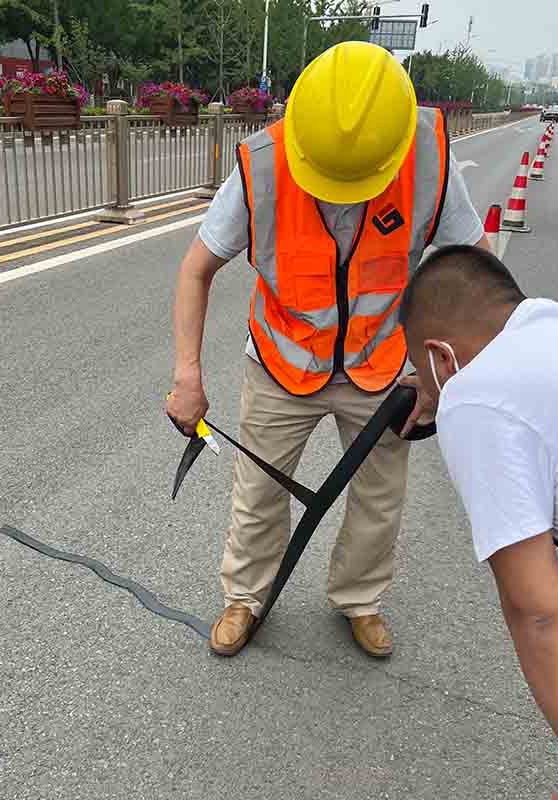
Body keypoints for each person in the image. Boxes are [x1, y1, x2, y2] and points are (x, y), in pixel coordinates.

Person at [167, 41, 489, 658]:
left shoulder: (427, 156)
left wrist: (439, 376)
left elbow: (473, 273)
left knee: (378, 496)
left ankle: (359, 599)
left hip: (385, 364)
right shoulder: (262, 164)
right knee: (258, 492)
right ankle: (245, 598)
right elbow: (195, 270)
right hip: (281, 359)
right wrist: (188, 376)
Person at [399, 244, 558, 800]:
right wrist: (438, 389)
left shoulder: (477, 400)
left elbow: (539, 612)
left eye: (421, 370)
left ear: (440, 356)